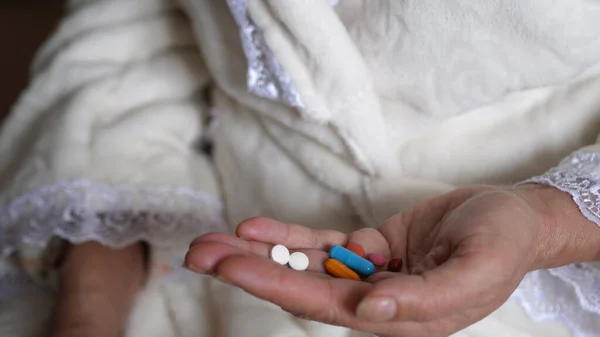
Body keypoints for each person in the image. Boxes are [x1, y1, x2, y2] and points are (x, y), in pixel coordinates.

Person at [1, 0, 600, 337]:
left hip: (541, 281)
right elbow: (136, 23)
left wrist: (543, 219)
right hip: (204, 224)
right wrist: (91, 299)